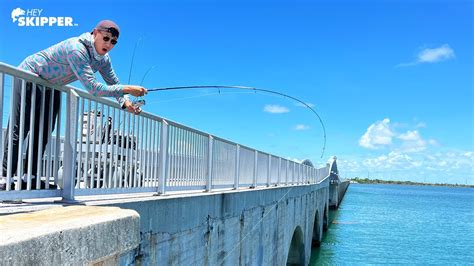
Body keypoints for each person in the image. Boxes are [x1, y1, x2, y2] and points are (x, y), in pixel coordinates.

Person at [0, 20, 148, 190]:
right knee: (20, 128)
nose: (108, 44)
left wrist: (126, 103)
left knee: (45, 131)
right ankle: (5, 177)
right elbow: (93, 88)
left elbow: (112, 81)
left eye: (113, 42)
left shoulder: (103, 60)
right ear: (95, 33)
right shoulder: (76, 49)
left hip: (52, 85)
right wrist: (128, 89)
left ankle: (30, 177)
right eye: (105, 38)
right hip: (29, 75)